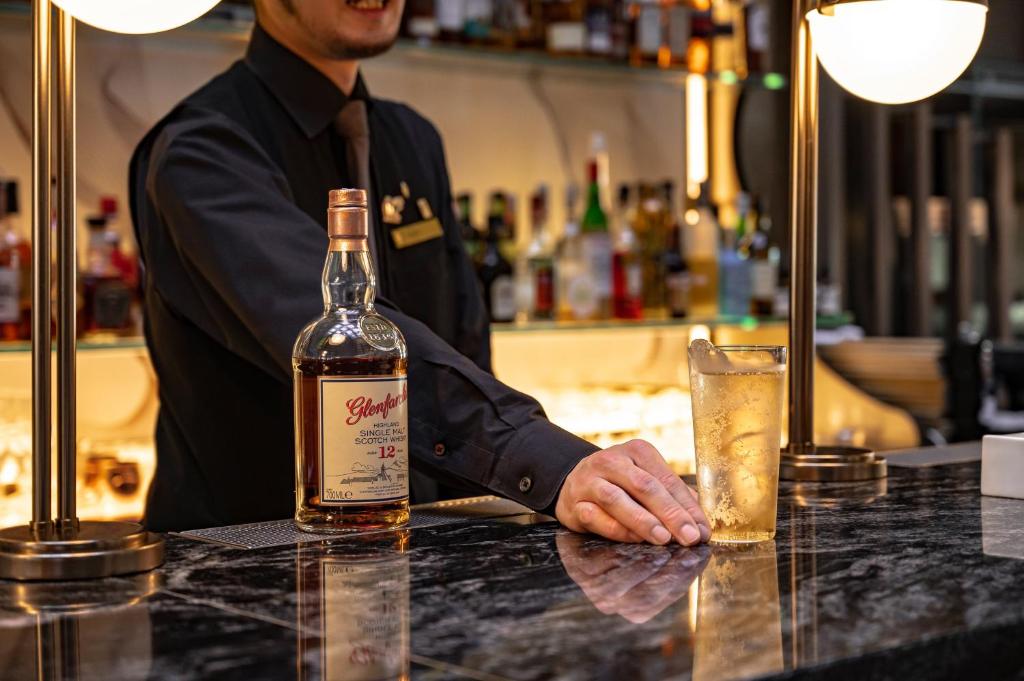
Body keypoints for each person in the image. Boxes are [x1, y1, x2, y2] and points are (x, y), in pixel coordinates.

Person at [130, 0, 709, 546]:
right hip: (249, 564)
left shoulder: (411, 139)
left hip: (418, 551)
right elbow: (341, 327)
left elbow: (464, 343)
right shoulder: (202, 150)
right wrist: (549, 463)